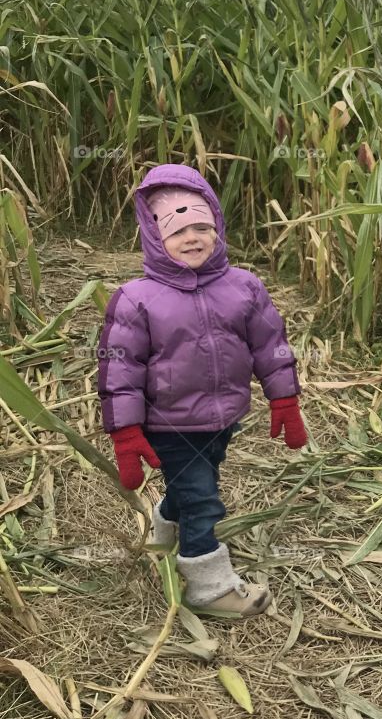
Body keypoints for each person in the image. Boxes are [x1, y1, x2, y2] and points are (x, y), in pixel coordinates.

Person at [97, 163, 308, 617]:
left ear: (217, 228)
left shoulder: (243, 287)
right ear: (156, 239)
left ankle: (165, 523)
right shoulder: (137, 299)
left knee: (197, 481)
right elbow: (120, 372)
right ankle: (209, 586)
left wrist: (284, 398)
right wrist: (126, 434)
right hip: (168, 423)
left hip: (223, 416)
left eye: (201, 227)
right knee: (204, 499)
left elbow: (270, 344)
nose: (192, 237)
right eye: (177, 231)